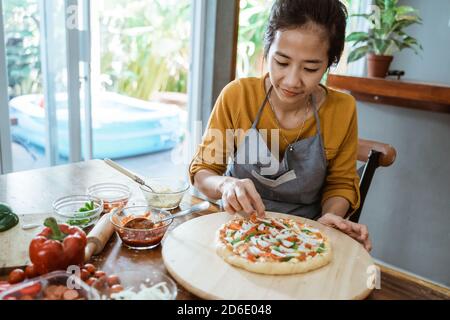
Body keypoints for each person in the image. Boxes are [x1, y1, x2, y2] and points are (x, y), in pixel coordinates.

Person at [189, 0, 371, 251]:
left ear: (329, 63)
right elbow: (203, 171)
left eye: (310, 67)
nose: (292, 80)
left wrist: (330, 217)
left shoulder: (342, 109)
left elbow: (340, 184)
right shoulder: (238, 96)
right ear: (267, 51)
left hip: (303, 237)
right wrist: (225, 185)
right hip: (234, 231)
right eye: (282, 62)